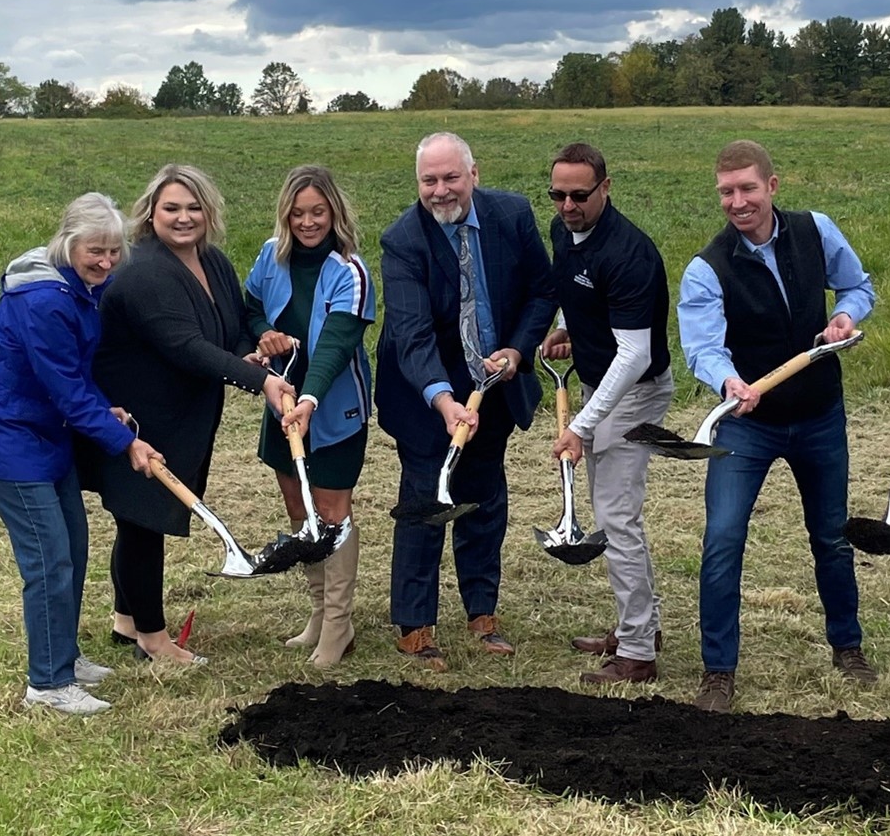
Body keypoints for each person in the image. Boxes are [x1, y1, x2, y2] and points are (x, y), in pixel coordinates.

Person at [677, 139, 876, 713]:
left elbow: (859, 287)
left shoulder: (816, 231)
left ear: (772, 186)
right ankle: (719, 670)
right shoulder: (707, 268)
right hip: (748, 424)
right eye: (726, 192)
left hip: (819, 415)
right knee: (722, 541)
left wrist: (845, 314)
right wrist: (728, 383)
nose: (737, 202)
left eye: (747, 188)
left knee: (831, 536)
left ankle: (848, 645)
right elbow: (702, 348)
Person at [0, 193, 161, 716]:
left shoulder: (81, 285)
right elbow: (64, 385)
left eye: (114, 251)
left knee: (73, 543)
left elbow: (73, 377)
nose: (107, 262)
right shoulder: (44, 299)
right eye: (96, 251)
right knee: (47, 559)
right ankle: (47, 683)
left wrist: (101, 408)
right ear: (67, 244)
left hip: (45, 429)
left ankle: (63, 655)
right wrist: (126, 443)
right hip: (6, 433)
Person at [83, 165, 294, 665]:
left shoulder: (212, 261)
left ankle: (126, 621)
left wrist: (248, 354)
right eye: (171, 208)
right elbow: (186, 346)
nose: (183, 218)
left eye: (193, 207)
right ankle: (154, 642)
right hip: (137, 414)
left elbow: (232, 325)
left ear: (209, 211)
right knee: (141, 518)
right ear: (150, 212)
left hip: (183, 412)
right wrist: (262, 380)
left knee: (141, 518)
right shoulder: (144, 271)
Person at [376, 131, 557, 669]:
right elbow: (410, 334)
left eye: (450, 177)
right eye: (429, 180)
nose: (440, 190)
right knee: (427, 502)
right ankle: (415, 626)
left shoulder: (512, 216)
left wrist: (520, 352)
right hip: (424, 392)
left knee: (484, 500)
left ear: (474, 175)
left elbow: (541, 292)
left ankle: (482, 613)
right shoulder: (403, 240)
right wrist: (444, 400)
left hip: (495, 384)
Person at [540, 142, 673, 686]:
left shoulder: (628, 253)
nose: (567, 206)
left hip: (636, 390)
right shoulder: (562, 232)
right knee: (613, 514)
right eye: (557, 194)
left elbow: (636, 353)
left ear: (606, 187)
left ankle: (638, 653)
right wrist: (575, 328)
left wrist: (580, 425)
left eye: (579, 195)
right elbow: (583, 296)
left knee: (616, 518)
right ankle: (641, 625)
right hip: (601, 381)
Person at [244, 165, 375, 667]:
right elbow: (250, 308)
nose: (307, 222)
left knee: (332, 511)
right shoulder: (270, 257)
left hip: (333, 410)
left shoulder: (351, 271)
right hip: (282, 403)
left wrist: (310, 401)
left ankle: (339, 628)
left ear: (334, 212)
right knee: (299, 511)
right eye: (297, 213)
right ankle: (319, 614)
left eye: (317, 211)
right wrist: (265, 335)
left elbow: (337, 345)